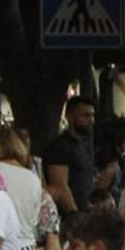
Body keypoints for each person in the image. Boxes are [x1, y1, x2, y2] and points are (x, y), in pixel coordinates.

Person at [43, 92, 102, 222]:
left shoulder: (83, 146)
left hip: (86, 215)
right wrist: (75, 216)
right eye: (85, 116)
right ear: (69, 116)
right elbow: (60, 186)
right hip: (70, 219)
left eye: (92, 116)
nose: (91, 120)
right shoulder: (60, 146)